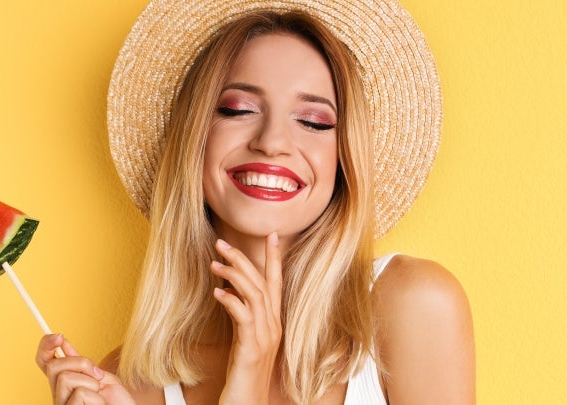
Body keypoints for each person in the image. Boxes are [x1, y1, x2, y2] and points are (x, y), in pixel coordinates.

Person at [37, 0, 475, 403]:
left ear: (344, 159)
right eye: (238, 109)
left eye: (313, 120)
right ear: (196, 138)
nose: (272, 142)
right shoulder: (133, 383)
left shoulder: (414, 306)